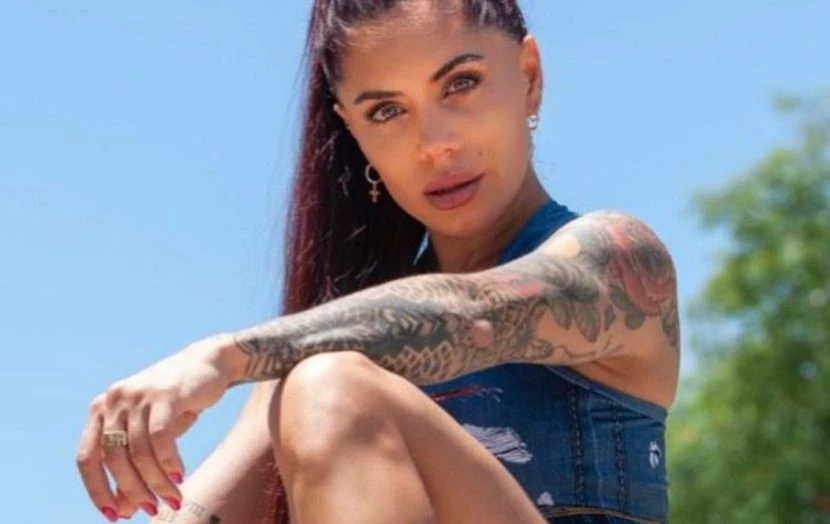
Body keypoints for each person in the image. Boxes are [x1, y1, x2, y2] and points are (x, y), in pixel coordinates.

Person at [75, 0, 680, 522]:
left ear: (529, 76)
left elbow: (476, 314)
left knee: (329, 385)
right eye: (386, 112)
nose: (434, 143)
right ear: (354, 132)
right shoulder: (309, 356)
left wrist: (220, 358)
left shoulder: (619, 259)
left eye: (461, 83)